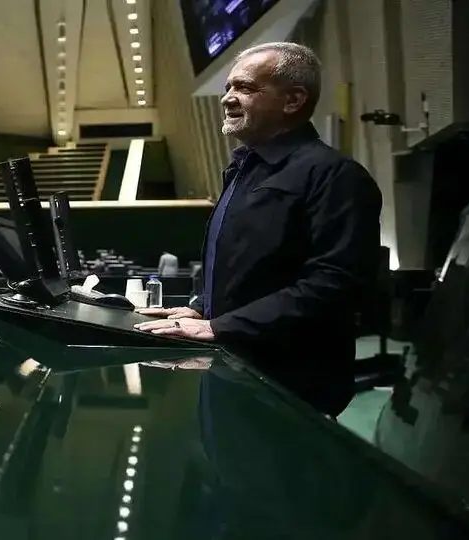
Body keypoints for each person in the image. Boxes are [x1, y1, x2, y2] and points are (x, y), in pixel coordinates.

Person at [134, 42, 382, 416]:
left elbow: (335, 282)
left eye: (245, 88)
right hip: (232, 369)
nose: (228, 99)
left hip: (288, 385)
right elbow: (244, 264)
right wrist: (202, 310)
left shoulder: (336, 176)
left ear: (293, 100)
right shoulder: (244, 169)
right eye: (228, 88)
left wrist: (221, 326)